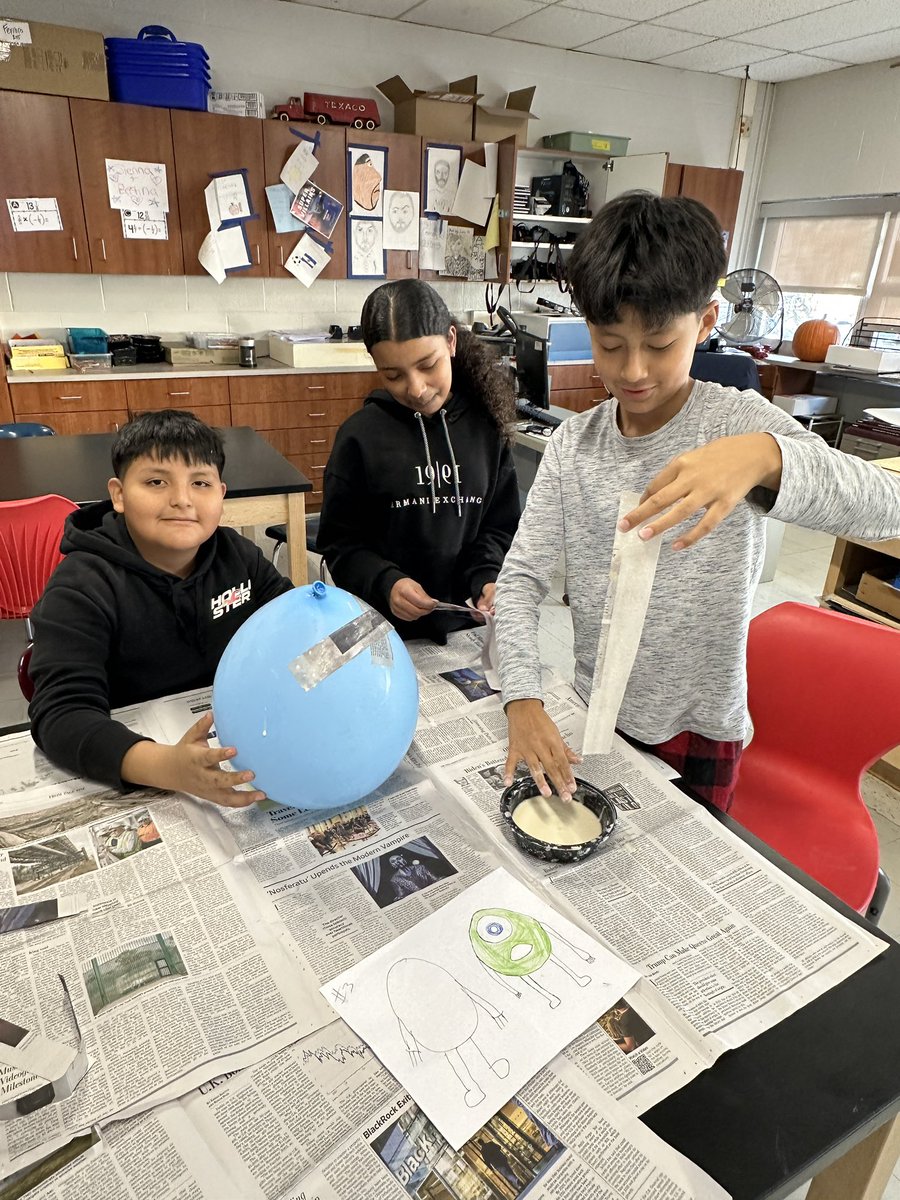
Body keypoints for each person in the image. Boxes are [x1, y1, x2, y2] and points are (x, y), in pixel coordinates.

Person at [495, 191, 900, 812]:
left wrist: (768, 456)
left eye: (659, 345)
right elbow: (520, 579)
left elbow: (886, 503)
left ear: (706, 323)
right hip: (594, 710)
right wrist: (522, 696)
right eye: (609, 344)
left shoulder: (737, 424)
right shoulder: (575, 444)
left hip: (701, 727)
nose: (633, 371)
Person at [28, 410, 293, 807]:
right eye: (156, 482)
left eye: (200, 483)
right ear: (118, 494)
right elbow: (62, 714)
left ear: (221, 493)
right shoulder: (83, 584)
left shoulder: (239, 557)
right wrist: (168, 767)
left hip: (236, 738)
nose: (181, 500)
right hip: (145, 757)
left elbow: (293, 627)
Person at [317, 279, 520, 642]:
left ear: (452, 342)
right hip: (383, 630)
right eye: (393, 375)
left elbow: (499, 526)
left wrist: (486, 578)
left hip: (469, 627)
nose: (416, 388)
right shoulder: (359, 438)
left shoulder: (487, 426)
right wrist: (386, 582)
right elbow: (341, 545)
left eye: (428, 365)